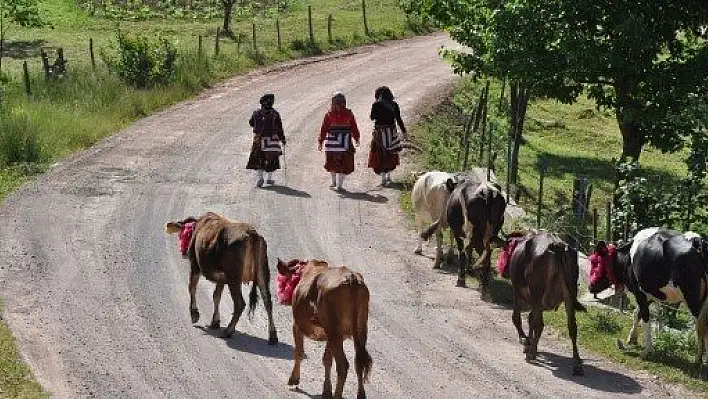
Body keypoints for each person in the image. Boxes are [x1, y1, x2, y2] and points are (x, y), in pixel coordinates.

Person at [318, 92, 360, 191]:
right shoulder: (349, 114)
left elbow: (323, 129)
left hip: (331, 143)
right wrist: (357, 138)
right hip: (345, 143)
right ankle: (340, 186)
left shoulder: (328, 115)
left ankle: (333, 183)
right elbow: (354, 127)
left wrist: (320, 142)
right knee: (343, 164)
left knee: (332, 164)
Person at [367, 86, 407, 186]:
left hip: (380, 133)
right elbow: (398, 119)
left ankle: (383, 179)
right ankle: (389, 176)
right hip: (391, 133)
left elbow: (372, 117)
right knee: (391, 153)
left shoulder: (376, 105)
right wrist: (404, 131)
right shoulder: (394, 105)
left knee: (381, 154)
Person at [246, 94, 286, 187]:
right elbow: (279, 128)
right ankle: (269, 178)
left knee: (259, 159)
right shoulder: (275, 114)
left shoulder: (256, 113)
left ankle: (260, 178)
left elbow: (251, 123)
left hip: (259, 139)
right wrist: (282, 139)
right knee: (271, 159)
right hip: (272, 139)